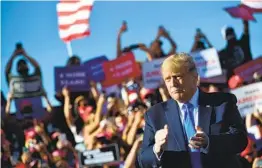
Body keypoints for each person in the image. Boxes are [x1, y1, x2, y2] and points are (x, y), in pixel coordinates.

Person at [138, 53, 247, 168]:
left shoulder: (222, 103)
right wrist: (157, 148)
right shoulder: (155, 114)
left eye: (177, 76)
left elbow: (240, 140)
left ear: (195, 77)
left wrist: (209, 142)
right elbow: (143, 159)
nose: (173, 84)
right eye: (168, 79)